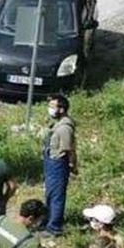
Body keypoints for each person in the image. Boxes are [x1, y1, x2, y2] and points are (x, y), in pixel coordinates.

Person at [42, 95, 76, 236]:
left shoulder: (65, 128)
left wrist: (73, 165)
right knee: (50, 193)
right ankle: (48, 219)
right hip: (51, 161)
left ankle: (54, 227)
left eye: (52, 106)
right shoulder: (57, 123)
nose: (50, 109)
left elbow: (70, 150)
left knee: (56, 195)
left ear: (61, 109)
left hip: (58, 164)